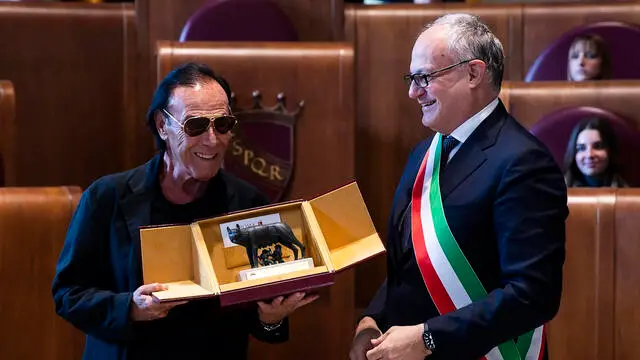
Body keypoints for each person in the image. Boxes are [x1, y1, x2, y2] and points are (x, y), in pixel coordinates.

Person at [52, 63, 318, 360]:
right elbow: (68, 294)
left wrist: (272, 319)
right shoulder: (107, 197)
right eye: (196, 126)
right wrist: (131, 308)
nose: (212, 140)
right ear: (162, 125)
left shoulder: (248, 204)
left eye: (222, 125)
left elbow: (260, 323)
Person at [350, 14, 568, 360]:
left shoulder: (523, 162)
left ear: (473, 73)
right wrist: (371, 320)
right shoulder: (424, 152)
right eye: (411, 78)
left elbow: (533, 294)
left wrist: (427, 338)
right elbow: (412, 265)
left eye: (424, 77)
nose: (412, 92)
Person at [563, 117, 628, 187]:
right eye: (581, 148)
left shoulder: (627, 193)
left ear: (610, 151)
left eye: (598, 147)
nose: (589, 155)